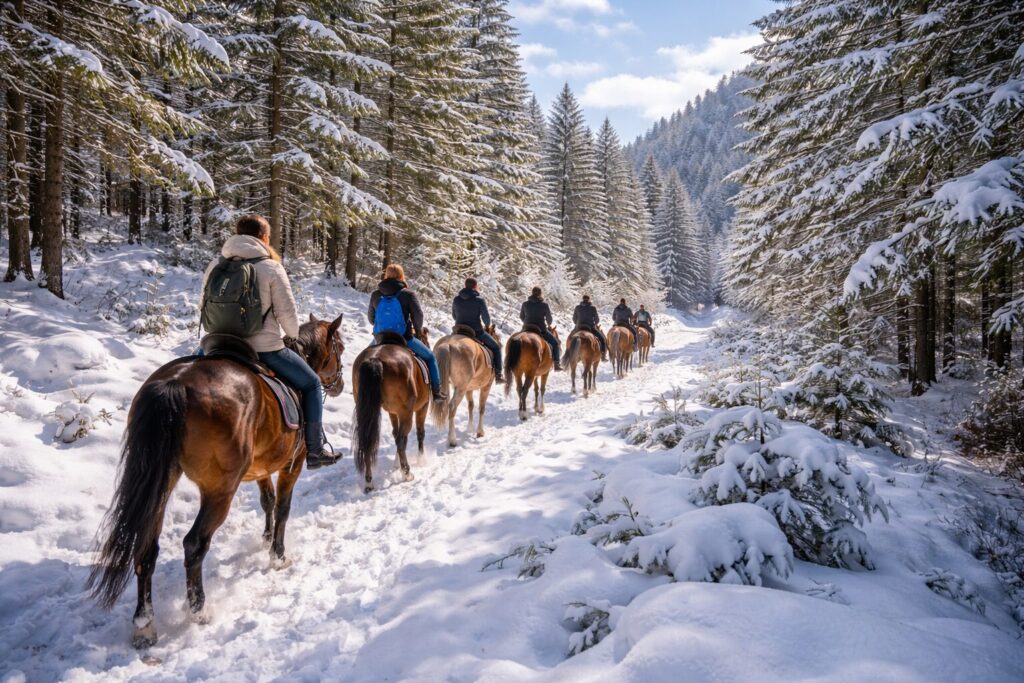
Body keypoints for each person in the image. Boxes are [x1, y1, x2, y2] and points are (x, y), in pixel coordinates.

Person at [198, 214, 339, 469]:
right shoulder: (271, 267)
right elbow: (287, 315)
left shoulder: (215, 265)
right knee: (310, 383)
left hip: (215, 344)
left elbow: (203, 305)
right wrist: (292, 335)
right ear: (264, 237)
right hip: (262, 349)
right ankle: (315, 450)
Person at [368, 263, 447, 401]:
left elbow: (371, 319)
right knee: (430, 357)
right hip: (403, 338)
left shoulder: (376, 294)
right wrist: (417, 331)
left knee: (364, 359)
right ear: (401, 276)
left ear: (386, 275)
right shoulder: (408, 294)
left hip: (380, 338)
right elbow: (418, 316)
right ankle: (436, 391)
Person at [452, 277, 503, 383]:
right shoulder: (479, 300)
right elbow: (486, 320)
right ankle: (498, 375)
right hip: (475, 331)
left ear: (465, 286)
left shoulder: (456, 299)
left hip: (458, 330)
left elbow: (454, 316)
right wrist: (487, 325)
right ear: (475, 287)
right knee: (496, 347)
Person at [520, 286, 561, 371]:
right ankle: (556, 363)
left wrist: (527, 322)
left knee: (516, 340)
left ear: (532, 293)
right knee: (555, 343)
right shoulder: (544, 305)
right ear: (540, 294)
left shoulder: (525, 304)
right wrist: (548, 324)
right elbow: (549, 319)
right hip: (540, 329)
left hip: (526, 328)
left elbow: (521, 316)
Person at [572, 294, 608, 361]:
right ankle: (603, 355)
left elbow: (574, 318)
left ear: (582, 299)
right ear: (589, 300)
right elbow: (597, 319)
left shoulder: (577, 307)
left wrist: (577, 323)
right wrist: (595, 323)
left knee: (571, 338)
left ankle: (569, 353)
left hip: (579, 327)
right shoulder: (593, 308)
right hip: (590, 328)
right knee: (602, 339)